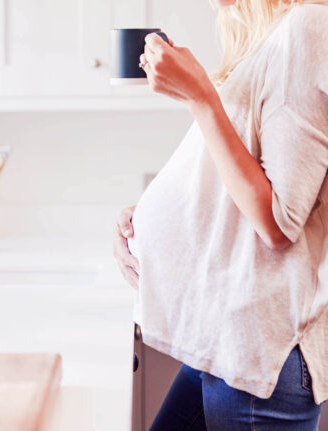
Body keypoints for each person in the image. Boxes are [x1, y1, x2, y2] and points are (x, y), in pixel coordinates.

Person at [113, 0, 328, 429]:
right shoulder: (267, 37)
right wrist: (150, 216)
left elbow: (279, 220)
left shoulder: (310, 26)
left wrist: (200, 96)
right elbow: (241, 181)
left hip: (260, 354)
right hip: (225, 336)